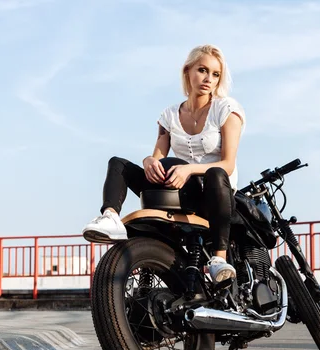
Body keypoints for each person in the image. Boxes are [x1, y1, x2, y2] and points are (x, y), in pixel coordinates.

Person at [82, 44, 245, 283]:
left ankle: (218, 260)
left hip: (214, 195)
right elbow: (158, 156)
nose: (209, 79)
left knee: (216, 174)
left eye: (215, 74)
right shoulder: (169, 115)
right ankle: (110, 217)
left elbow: (228, 164)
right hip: (181, 191)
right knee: (117, 163)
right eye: (202, 70)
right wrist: (149, 161)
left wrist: (189, 169)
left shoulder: (226, 109)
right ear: (188, 71)